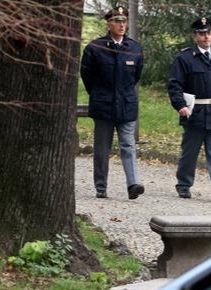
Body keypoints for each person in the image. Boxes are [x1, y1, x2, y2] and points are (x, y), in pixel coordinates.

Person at [166, 16, 211, 203]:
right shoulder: (185, 58)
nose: (206, 37)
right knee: (190, 153)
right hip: (194, 113)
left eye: (209, 33)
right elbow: (174, 85)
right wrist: (180, 105)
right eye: (202, 34)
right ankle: (184, 184)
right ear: (195, 36)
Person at [80, 6, 144, 199]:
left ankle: (133, 184)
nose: (121, 25)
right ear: (109, 23)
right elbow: (87, 76)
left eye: (124, 21)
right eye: (117, 21)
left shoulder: (134, 48)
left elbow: (136, 76)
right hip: (104, 104)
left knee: (128, 145)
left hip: (126, 104)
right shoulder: (95, 47)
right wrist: (100, 94)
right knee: (102, 148)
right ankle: (101, 187)